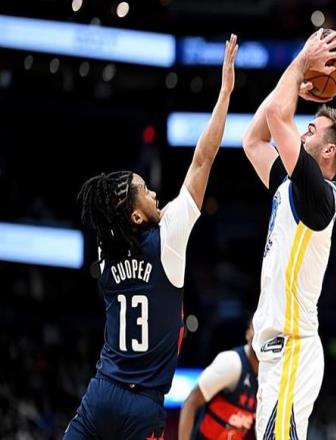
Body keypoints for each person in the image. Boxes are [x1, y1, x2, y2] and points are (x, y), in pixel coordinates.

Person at [64, 34, 239, 440]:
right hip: (142, 405)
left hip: (101, 394)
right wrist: (225, 91)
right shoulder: (169, 238)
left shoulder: (107, 248)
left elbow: (110, 214)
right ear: (137, 214)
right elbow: (203, 159)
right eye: (146, 190)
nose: (156, 193)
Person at [242, 28, 336, 440]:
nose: (303, 131)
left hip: (292, 348)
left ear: (329, 151)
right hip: (277, 355)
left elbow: (277, 116)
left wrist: (301, 62)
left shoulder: (320, 194)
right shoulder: (291, 185)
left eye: (311, 128)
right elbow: (253, 139)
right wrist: (294, 80)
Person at [178, 319, 258, 440]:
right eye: (257, 328)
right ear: (248, 334)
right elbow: (191, 402)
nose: (260, 335)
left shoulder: (270, 374)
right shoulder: (232, 363)